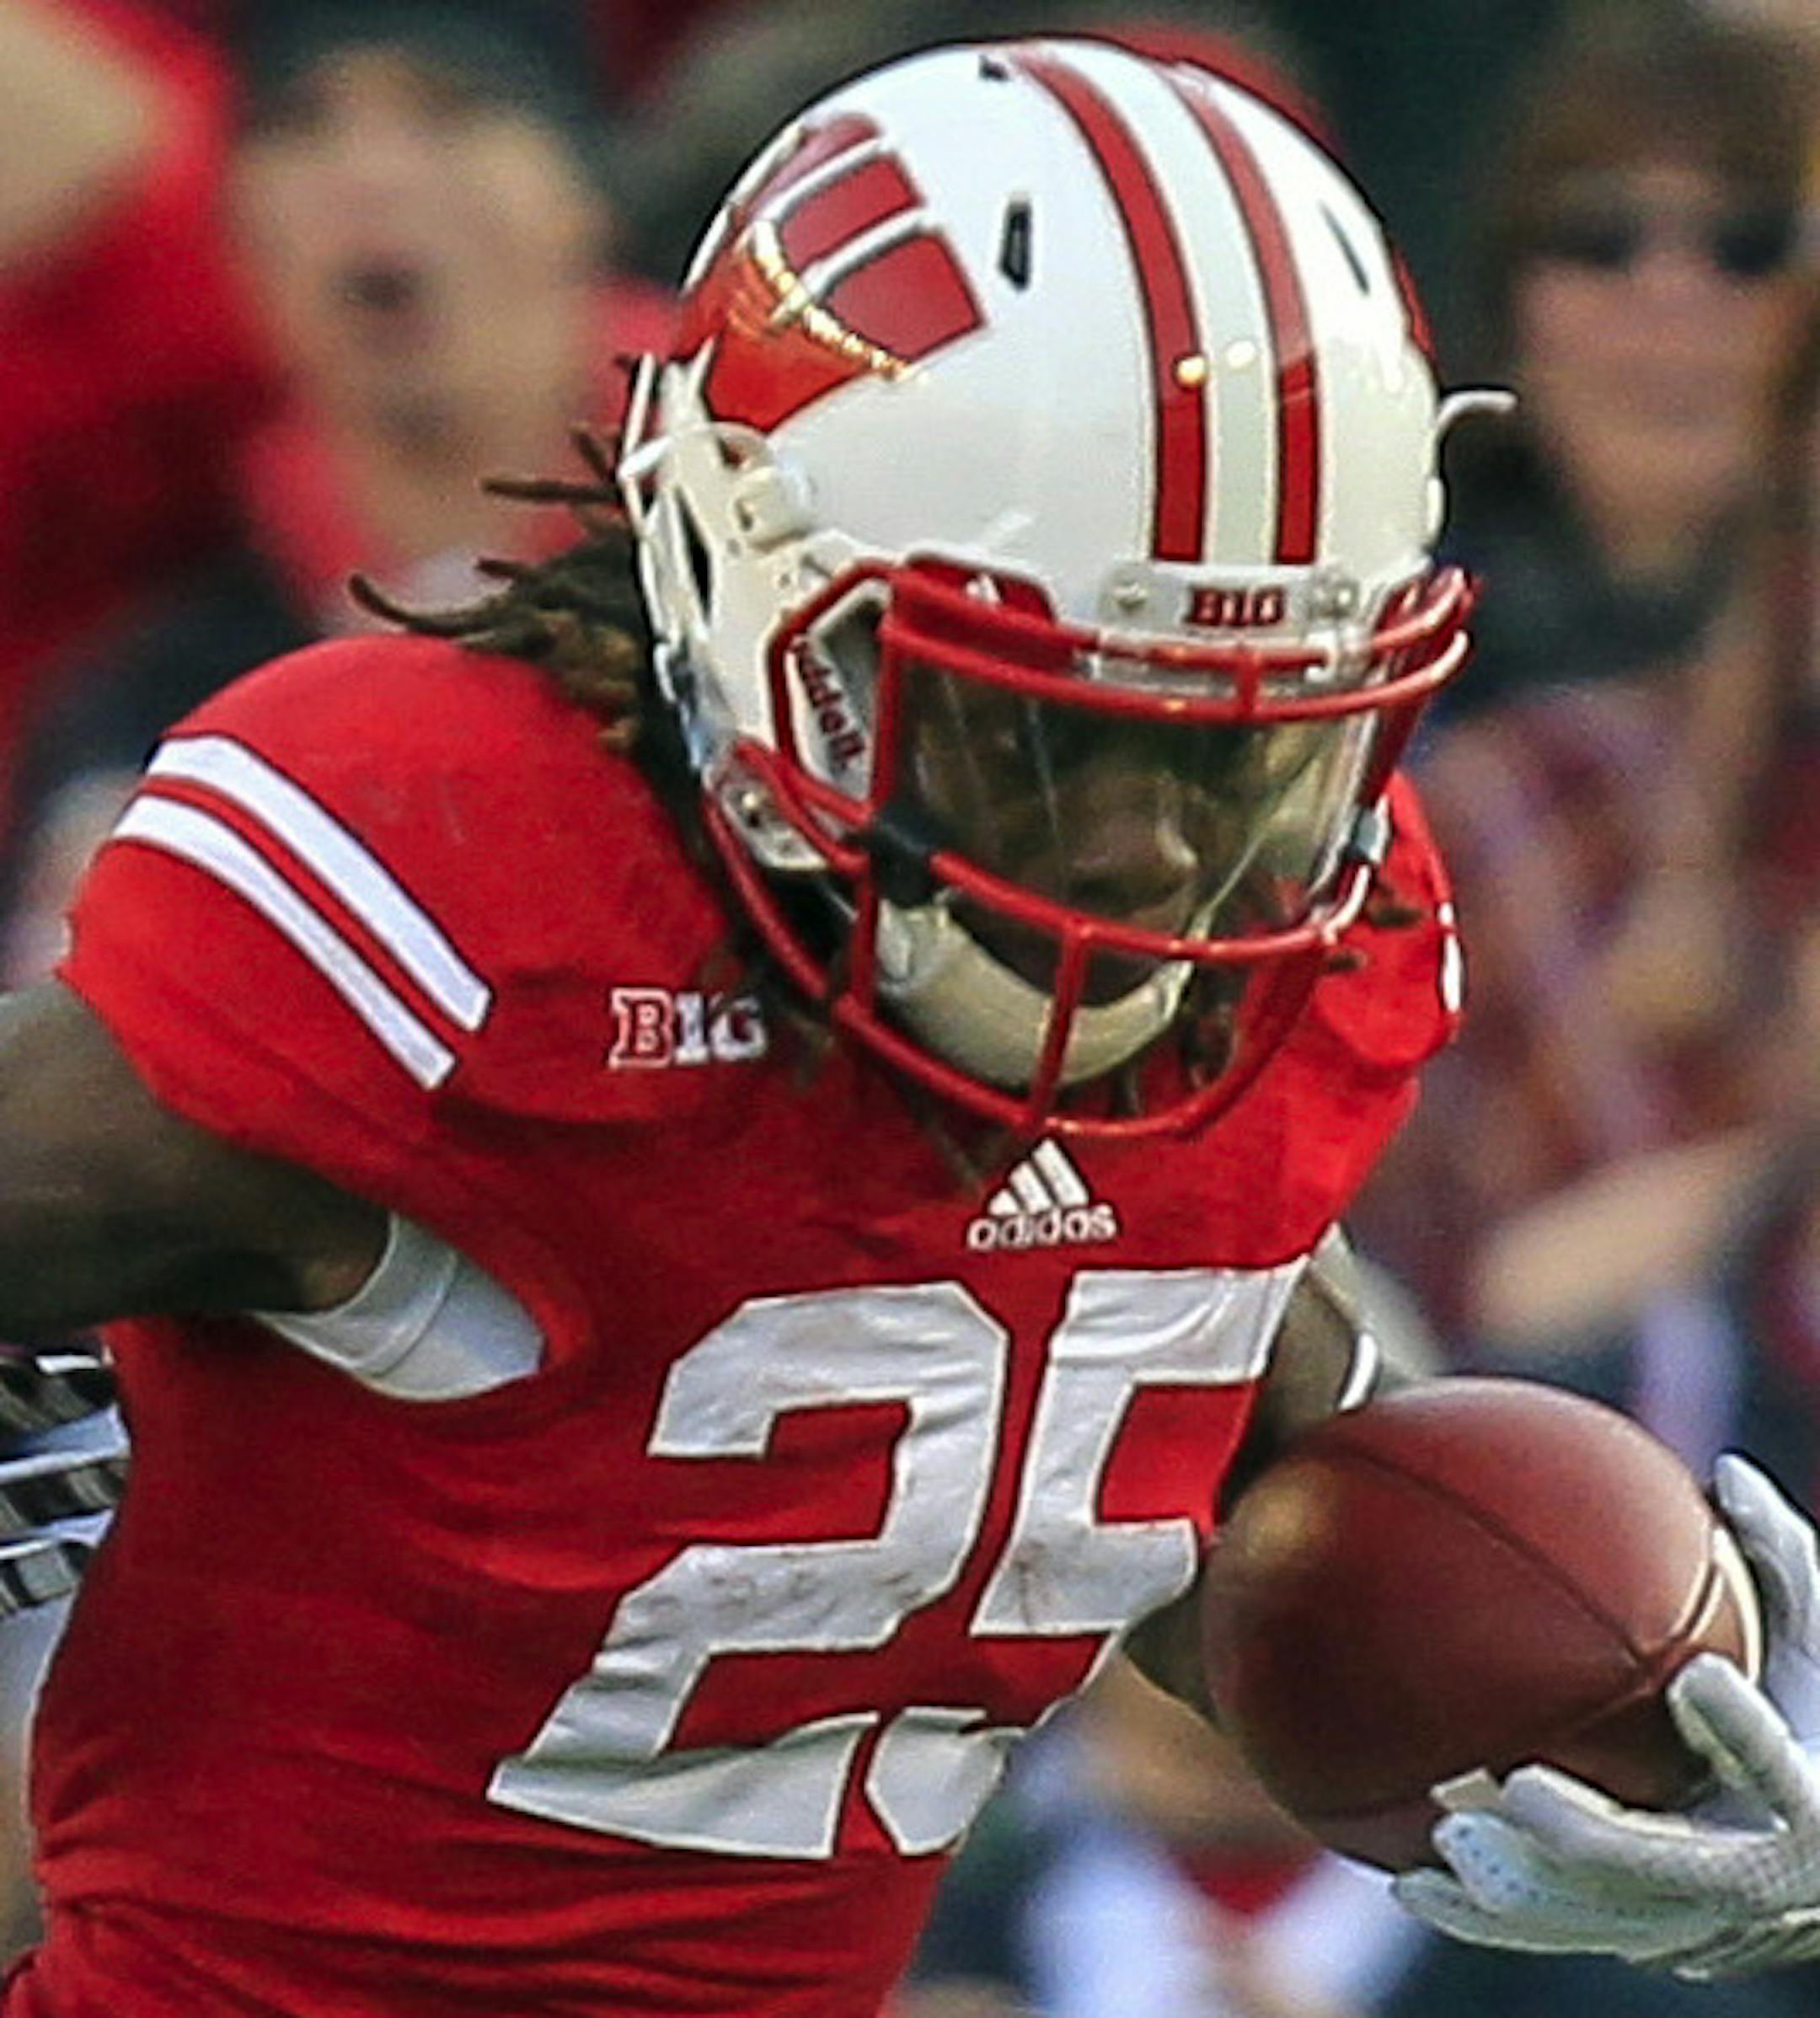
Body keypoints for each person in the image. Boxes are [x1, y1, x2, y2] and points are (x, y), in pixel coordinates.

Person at [0, 35, 1816, 2018]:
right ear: (750, 584)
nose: (1160, 869)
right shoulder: (459, 900)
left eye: (1253, 758)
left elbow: (1166, 1458)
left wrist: (1605, 1721)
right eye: (1046, 740)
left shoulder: (1314, 951)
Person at [0, 0, 671, 982]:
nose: (371, 175)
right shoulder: (146, 717)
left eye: (454, 110)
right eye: (300, 125)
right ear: (235, 228)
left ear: (581, 191)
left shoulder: (784, 593)